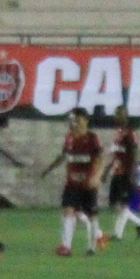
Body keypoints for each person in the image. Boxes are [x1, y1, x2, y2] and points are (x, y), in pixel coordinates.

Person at [56, 110, 105, 256]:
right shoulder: (69, 138)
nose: (75, 123)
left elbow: (100, 158)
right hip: (72, 183)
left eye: (78, 120)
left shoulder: (92, 138)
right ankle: (66, 246)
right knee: (68, 211)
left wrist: (97, 177)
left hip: (88, 183)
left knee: (91, 214)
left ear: (86, 121)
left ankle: (93, 243)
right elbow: (63, 155)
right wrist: (49, 168)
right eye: (74, 120)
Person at [100, 112, 140, 242]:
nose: (118, 117)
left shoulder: (130, 134)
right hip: (117, 172)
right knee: (115, 205)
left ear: (126, 117)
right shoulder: (117, 133)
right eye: (117, 115)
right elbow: (116, 155)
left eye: (120, 115)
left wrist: (132, 171)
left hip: (127, 173)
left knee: (123, 204)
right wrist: (106, 170)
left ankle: (118, 234)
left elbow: (135, 152)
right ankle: (139, 223)